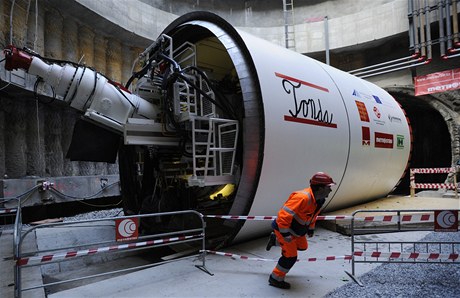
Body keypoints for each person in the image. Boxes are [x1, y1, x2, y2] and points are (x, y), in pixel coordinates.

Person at [266, 172, 336, 289]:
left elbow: (312, 216)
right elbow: (284, 216)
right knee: (290, 257)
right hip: (284, 229)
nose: (330, 190)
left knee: (303, 247)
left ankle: (275, 240)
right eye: (328, 187)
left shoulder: (319, 200)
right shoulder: (302, 197)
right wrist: (285, 234)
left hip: (297, 230)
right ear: (320, 188)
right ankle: (275, 278)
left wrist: (311, 228)